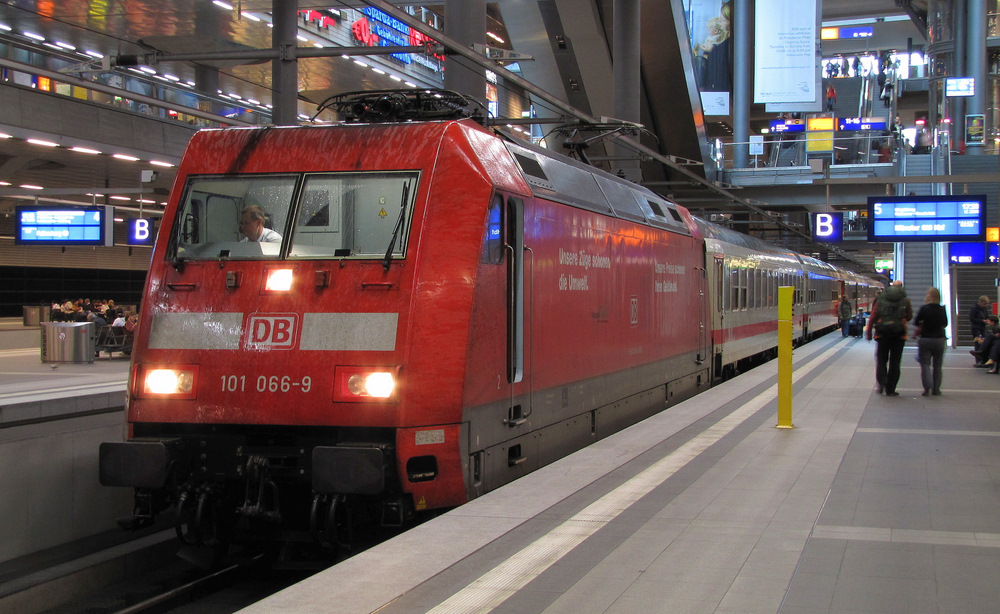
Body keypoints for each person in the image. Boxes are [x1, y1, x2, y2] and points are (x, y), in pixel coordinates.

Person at [865, 280, 913, 396]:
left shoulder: (881, 299)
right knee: (895, 362)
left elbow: (873, 316)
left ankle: (881, 383)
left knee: (881, 360)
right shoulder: (905, 300)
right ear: (901, 287)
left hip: (882, 334)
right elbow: (909, 316)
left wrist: (869, 332)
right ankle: (890, 389)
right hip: (899, 335)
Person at [913, 287, 948, 396]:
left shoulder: (924, 308)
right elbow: (945, 324)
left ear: (930, 296)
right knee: (937, 366)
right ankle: (936, 389)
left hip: (926, 339)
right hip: (939, 340)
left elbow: (916, 322)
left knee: (925, 365)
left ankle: (927, 388)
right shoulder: (942, 309)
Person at [969, 295, 991, 360]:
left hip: (982, 328)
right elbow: (972, 319)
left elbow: (986, 315)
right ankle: (978, 359)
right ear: (981, 302)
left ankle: (983, 359)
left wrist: (987, 320)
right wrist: (982, 320)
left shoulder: (984, 309)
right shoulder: (974, 308)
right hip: (976, 328)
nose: (985, 305)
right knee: (978, 344)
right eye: (984, 304)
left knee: (983, 342)